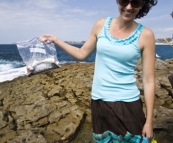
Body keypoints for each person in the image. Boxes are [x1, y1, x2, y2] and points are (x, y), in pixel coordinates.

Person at [39, 0, 157, 142]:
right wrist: (56, 40)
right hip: (99, 102)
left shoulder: (146, 35)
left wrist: (149, 121)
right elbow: (82, 54)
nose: (129, 7)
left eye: (136, 2)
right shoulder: (101, 25)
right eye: (125, 1)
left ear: (143, 5)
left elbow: (149, 80)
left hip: (128, 104)